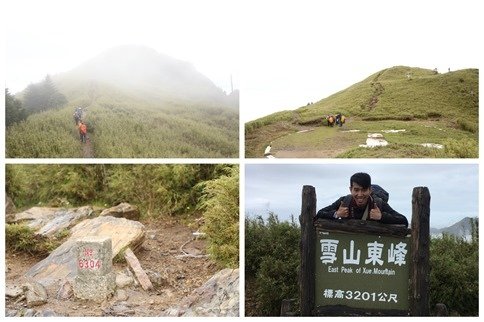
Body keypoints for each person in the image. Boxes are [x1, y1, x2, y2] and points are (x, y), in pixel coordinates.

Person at [315, 172, 408, 226]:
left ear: (370, 190)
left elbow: (403, 220)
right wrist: (336, 214)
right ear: (350, 190)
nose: (360, 194)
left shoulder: (378, 203)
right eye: (356, 190)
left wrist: (381, 217)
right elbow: (319, 214)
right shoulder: (344, 201)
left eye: (364, 190)